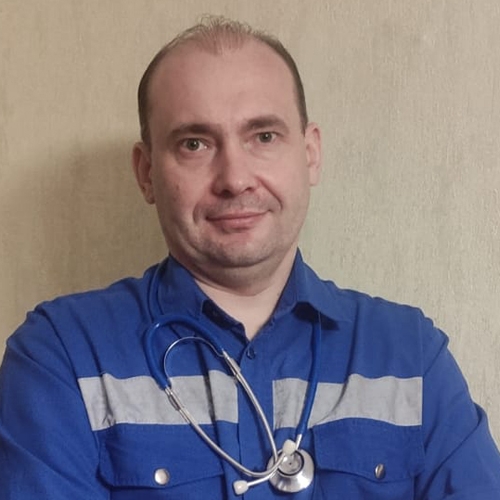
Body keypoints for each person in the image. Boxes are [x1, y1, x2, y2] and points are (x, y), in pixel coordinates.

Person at [0, 16, 499, 500]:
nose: (235, 179)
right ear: (146, 172)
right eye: (194, 143)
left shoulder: (411, 356)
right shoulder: (62, 355)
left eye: (263, 136)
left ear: (310, 154)